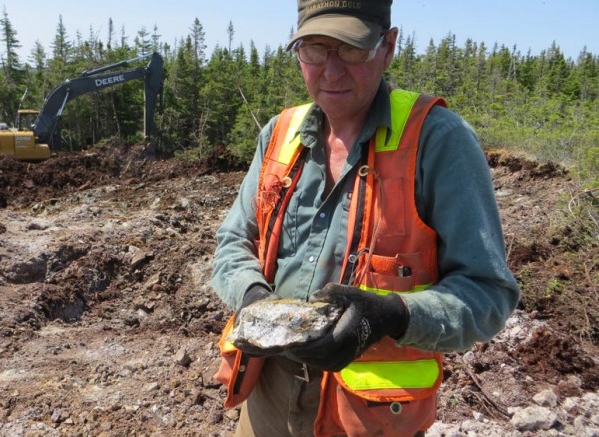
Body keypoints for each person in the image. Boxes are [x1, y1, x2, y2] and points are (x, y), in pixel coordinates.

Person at [210, 1, 521, 436]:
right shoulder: (279, 134)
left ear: (388, 46)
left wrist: (392, 316)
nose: (332, 72)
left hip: (370, 412)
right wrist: (255, 300)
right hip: (269, 393)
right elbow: (231, 243)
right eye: (314, 50)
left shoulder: (438, 142)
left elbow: (487, 293)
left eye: (352, 50)